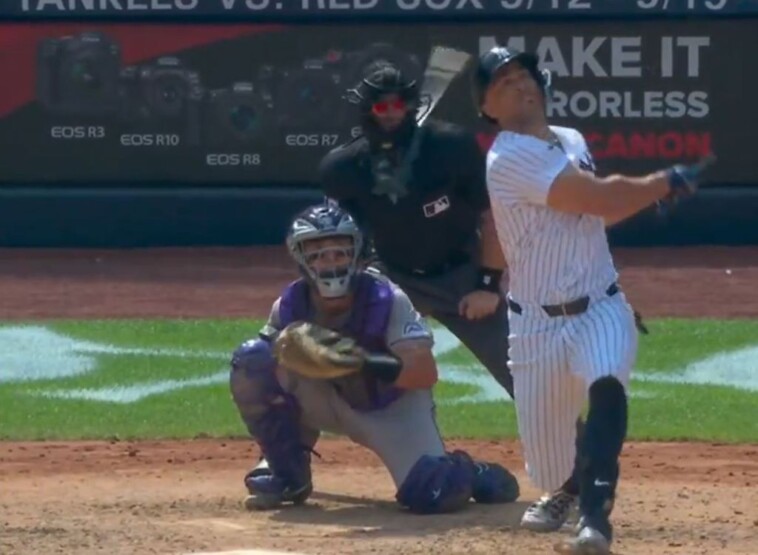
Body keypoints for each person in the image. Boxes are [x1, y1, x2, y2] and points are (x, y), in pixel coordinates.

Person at [472, 46, 710, 554]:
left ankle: (595, 519)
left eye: (523, 76)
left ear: (540, 84)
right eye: (502, 83)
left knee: (607, 383)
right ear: (488, 109)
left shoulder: (571, 139)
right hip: (535, 324)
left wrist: (641, 195)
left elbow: (595, 211)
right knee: (550, 465)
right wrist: (660, 184)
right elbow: (595, 198)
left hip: (600, 304)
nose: (519, 85)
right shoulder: (507, 157)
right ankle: (569, 484)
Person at [229, 203, 520, 513]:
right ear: (300, 257)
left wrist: (358, 361)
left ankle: (468, 470)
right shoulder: (290, 303)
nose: (330, 261)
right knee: (252, 361)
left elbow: (423, 372)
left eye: (339, 251)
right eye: (317, 253)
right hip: (323, 397)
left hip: (390, 406)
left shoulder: (388, 298)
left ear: (357, 253)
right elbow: (263, 367)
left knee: (434, 491)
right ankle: (287, 473)